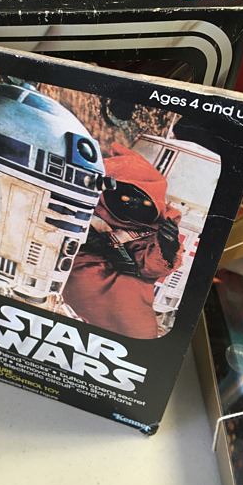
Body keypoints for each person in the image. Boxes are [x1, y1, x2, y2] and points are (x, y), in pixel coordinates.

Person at [63, 143, 183, 339]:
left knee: (137, 327)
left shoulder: (152, 227)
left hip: (128, 285)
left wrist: (167, 249)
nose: (133, 205)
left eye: (144, 202)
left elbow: (150, 267)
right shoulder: (88, 201)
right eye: (126, 198)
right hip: (80, 268)